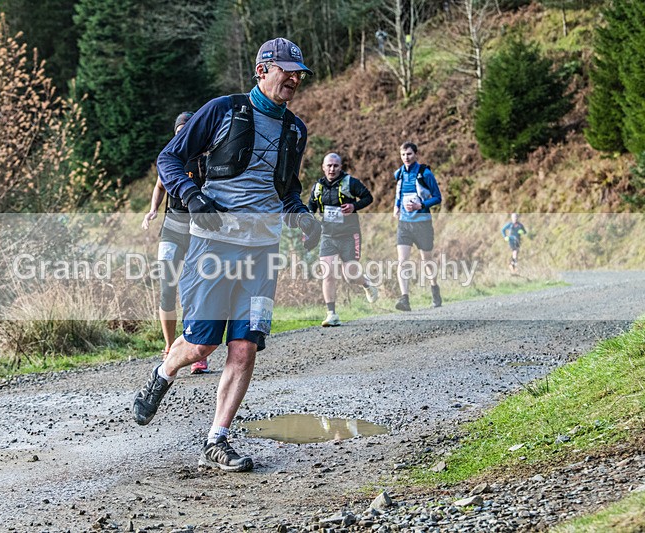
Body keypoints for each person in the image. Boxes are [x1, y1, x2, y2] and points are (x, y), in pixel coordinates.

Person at [132, 37, 321, 472]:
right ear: (262, 70)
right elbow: (169, 159)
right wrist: (192, 196)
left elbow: (287, 190)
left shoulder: (295, 130)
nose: (294, 79)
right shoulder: (223, 110)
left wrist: (302, 217)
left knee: (244, 346)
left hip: (263, 252)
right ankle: (163, 373)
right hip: (213, 246)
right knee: (202, 344)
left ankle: (216, 439)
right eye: (287, 70)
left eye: (299, 73)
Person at [141, 112, 210, 374]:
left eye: (187, 131)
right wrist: (152, 210)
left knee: (193, 291)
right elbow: (160, 186)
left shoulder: (205, 160)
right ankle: (170, 347)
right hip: (171, 229)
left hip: (197, 233)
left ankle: (195, 349)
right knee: (167, 289)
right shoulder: (170, 157)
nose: (183, 136)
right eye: (179, 132)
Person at [307, 152, 377, 327]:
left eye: (335, 166)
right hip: (328, 236)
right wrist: (308, 222)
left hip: (349, 235)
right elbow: (311, 206)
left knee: (350, 276)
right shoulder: (318, 187)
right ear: (323, 167)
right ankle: (331, 314)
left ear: (340, 167)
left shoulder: (350, 182)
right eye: (329, 165)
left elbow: (368, 197)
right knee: (328, 274)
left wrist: (354, 206)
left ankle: (366, 283)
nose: (332, 169)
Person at [392, 141, 443, 311]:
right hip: (404, 224)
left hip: (422, 224)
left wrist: (421, 205)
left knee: (426, 260)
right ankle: (404, 299)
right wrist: (396, 206)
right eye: (403, 154)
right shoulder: (399, 173)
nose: (406, 157)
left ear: (416, 154)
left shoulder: (425, 173)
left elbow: (437, 197)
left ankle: (434, 288)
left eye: (409, 154)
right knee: (402, 261)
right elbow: (399, 193)